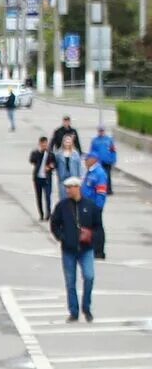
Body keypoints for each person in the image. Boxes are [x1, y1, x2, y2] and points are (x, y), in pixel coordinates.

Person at [50, 175, 102, 322]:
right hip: (69, 249)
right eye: (66, 188)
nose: (67, 191)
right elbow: (54, 224)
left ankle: (86, 307)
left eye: (70, 188)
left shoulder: (90, 206)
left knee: (89, 276)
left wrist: (94, 240)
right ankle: (74, 311)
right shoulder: (62, 206)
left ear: (77, 187)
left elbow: (98, 226)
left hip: (86, 248)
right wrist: (62, 237)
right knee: (70, 281)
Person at [83, 150, 111, 258]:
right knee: (91, 228)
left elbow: (101, 191)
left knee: (98, 228)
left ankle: (99, 251)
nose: (85, 161)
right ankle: (93, 248)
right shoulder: (90, 172)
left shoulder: (99, 173)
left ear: (93, 160)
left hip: (95, 206)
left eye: (87, 159)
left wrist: (98, 206)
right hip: (88, 205)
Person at [29, 136, 56, 220]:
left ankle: (48, 213)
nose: (44, 145)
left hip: (47, 178)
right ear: (40, 144)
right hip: (38, 178)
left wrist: (50, 167)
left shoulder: (50, 154)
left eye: (46, 144)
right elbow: (32, 160)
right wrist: (40, 153)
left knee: (48, 196)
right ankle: (41, 214)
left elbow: (54, 164)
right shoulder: (36, 153)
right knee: (39, 196)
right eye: (43, 144)